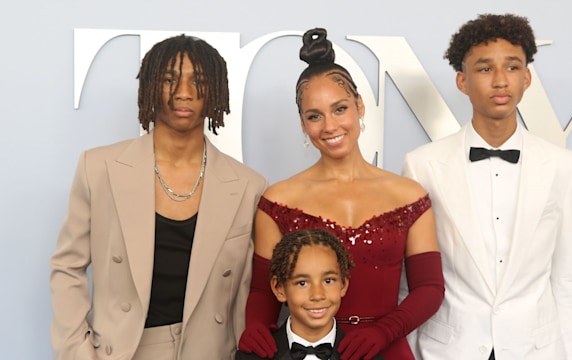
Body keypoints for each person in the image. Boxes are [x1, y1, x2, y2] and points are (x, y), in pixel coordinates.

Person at [49, 34, 267, 360]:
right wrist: (77, 352)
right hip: (123, 350)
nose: (184, 92)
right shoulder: (99, 168)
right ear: (150, 85)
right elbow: (67, 267)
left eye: (200, 81)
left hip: (211, 352)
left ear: (217, 91)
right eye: (169, 79)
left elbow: (256, 290)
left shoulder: (249, 185)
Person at [238, 28, 445, 360]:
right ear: (303, 124)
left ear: (359, 106)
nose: (330, 126)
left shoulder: (409, 196)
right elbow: (264, 289)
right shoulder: (277, 201)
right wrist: (256, 329)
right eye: (314, 116)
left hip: (387, 351)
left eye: (339, 109)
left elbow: (430, 289)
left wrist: (383, 332)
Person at [403, 14, 572, 360]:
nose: (500, 81)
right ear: (462, 81)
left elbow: (567, 280)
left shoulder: (564, 166)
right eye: (485, 69)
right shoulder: (422, 165)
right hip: (447, 349)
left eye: (512, 68)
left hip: (537, 350)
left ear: (527, 78)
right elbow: (410, 280)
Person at [236, 228, 384, 360]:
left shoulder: (368, 358)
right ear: (279, 288)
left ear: (343, 284)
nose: (317, 295)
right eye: (302, 283)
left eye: (328, 280)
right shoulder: (251, 357)